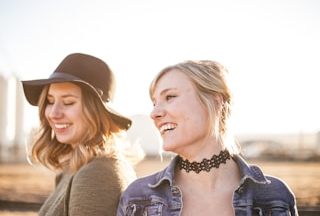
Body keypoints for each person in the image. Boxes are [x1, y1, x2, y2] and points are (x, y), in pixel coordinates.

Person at [117, 60, 298, 215]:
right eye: (154, 103)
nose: (154, 113)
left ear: (214, 102)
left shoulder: (276, 196)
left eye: (170, 97)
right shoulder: (136, 198)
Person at [22, 53, 143, 215]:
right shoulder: (76, 169)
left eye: (68, 102)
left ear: (97, 112)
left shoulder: (96, 175)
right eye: (50, 101)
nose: (53, 113)